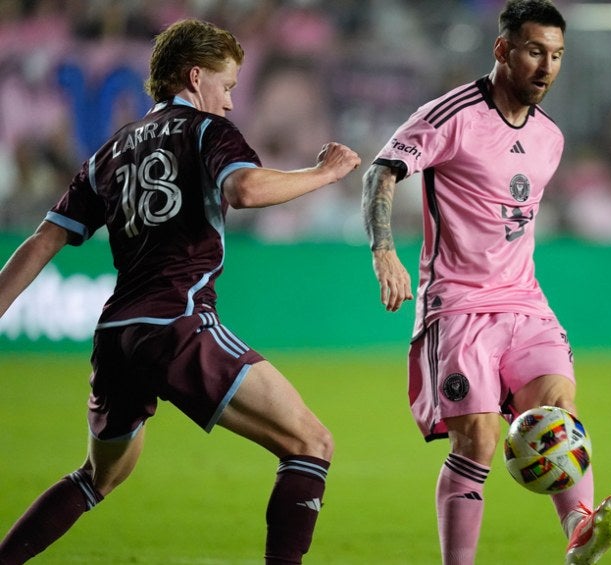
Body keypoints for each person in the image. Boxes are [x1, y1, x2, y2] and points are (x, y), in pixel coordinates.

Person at [0, 18, 361, 564]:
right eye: (228, 85)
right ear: (196, 77)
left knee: (97, 477)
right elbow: (243, 189)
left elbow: (43, 239)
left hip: (118, 335)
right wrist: (324, 173)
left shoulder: (109, 152)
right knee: (311, 444)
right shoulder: (207, 132)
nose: (232, 102)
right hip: (179, 321)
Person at [360, 2, 611, 564]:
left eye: (556, 56)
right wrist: (385, 250)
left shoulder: (550, 138)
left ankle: (580, 530)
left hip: (525, 303)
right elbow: (380, 171)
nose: (546, 67)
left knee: (558, 410)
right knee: (477, 439)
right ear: (502, 49)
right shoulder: (450, 114)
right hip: (456, 306)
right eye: (534, 51)